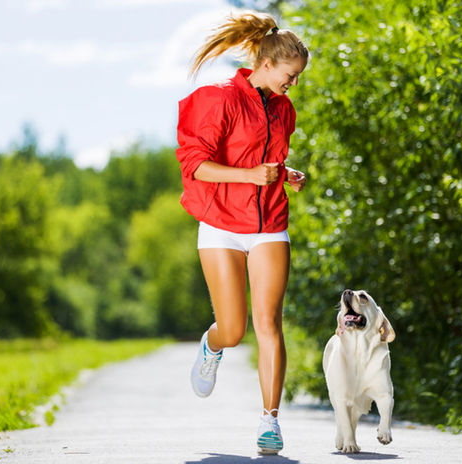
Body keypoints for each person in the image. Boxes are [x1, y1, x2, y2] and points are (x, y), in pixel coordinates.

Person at [175, 10, 309, 455]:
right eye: (291, 75)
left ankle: (270, 421)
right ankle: (212, 346)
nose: (294, 84)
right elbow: (196, 165)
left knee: (269, 322)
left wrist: (284, 174)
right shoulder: (218, 100)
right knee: (233, 330)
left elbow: (262, 159)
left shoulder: (284, 109)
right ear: (268, 64)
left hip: (269, 224)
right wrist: (252, 176)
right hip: (220, 225)